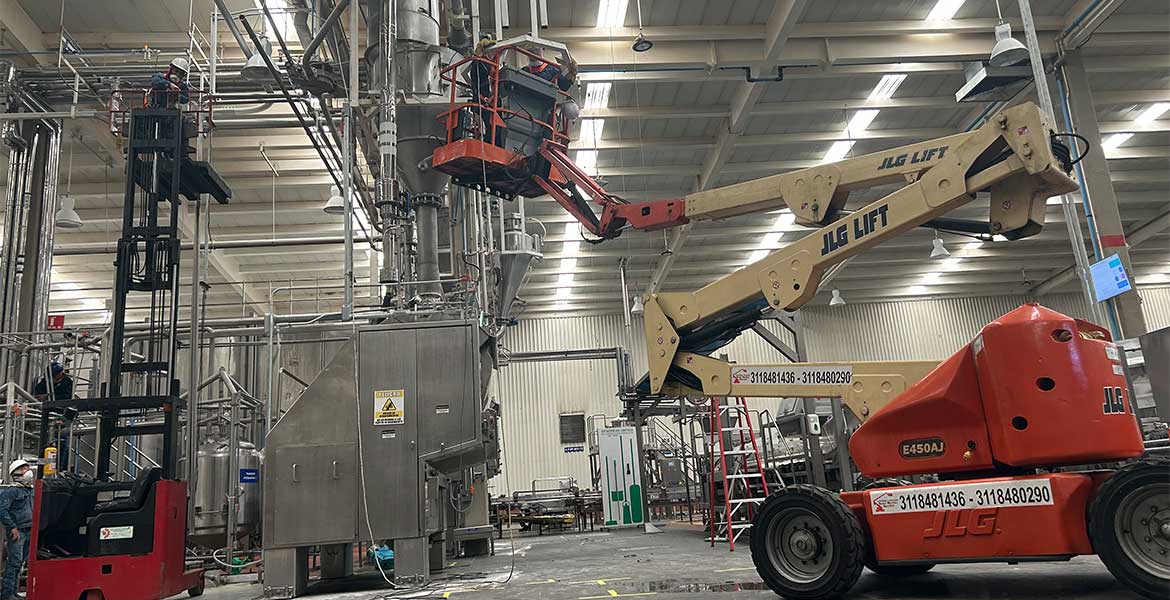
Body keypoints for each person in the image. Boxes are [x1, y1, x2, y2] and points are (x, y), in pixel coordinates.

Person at [0, 460, 34, 600]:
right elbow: (2, 510)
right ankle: (7, 594)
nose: (28, 470)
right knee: (14, 562)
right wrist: (12, 527)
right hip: (18, 531)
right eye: (24, 468)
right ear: (16, 473)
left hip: (28, 530)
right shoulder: (12, 491)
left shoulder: (29, 490)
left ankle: (13, 592)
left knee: (20, 562)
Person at [33, 363, 75, 472]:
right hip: (49, 414)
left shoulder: (67, 382)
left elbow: (67, 398)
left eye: (55, 376)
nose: (53, 378)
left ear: (60, 374)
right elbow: (37, 392)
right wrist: (40, 397)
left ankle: (60, 468)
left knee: (62, 439)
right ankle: (44, 467)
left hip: (63, 414)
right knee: (46, 440)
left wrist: (48, 396)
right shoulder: (46, 381)